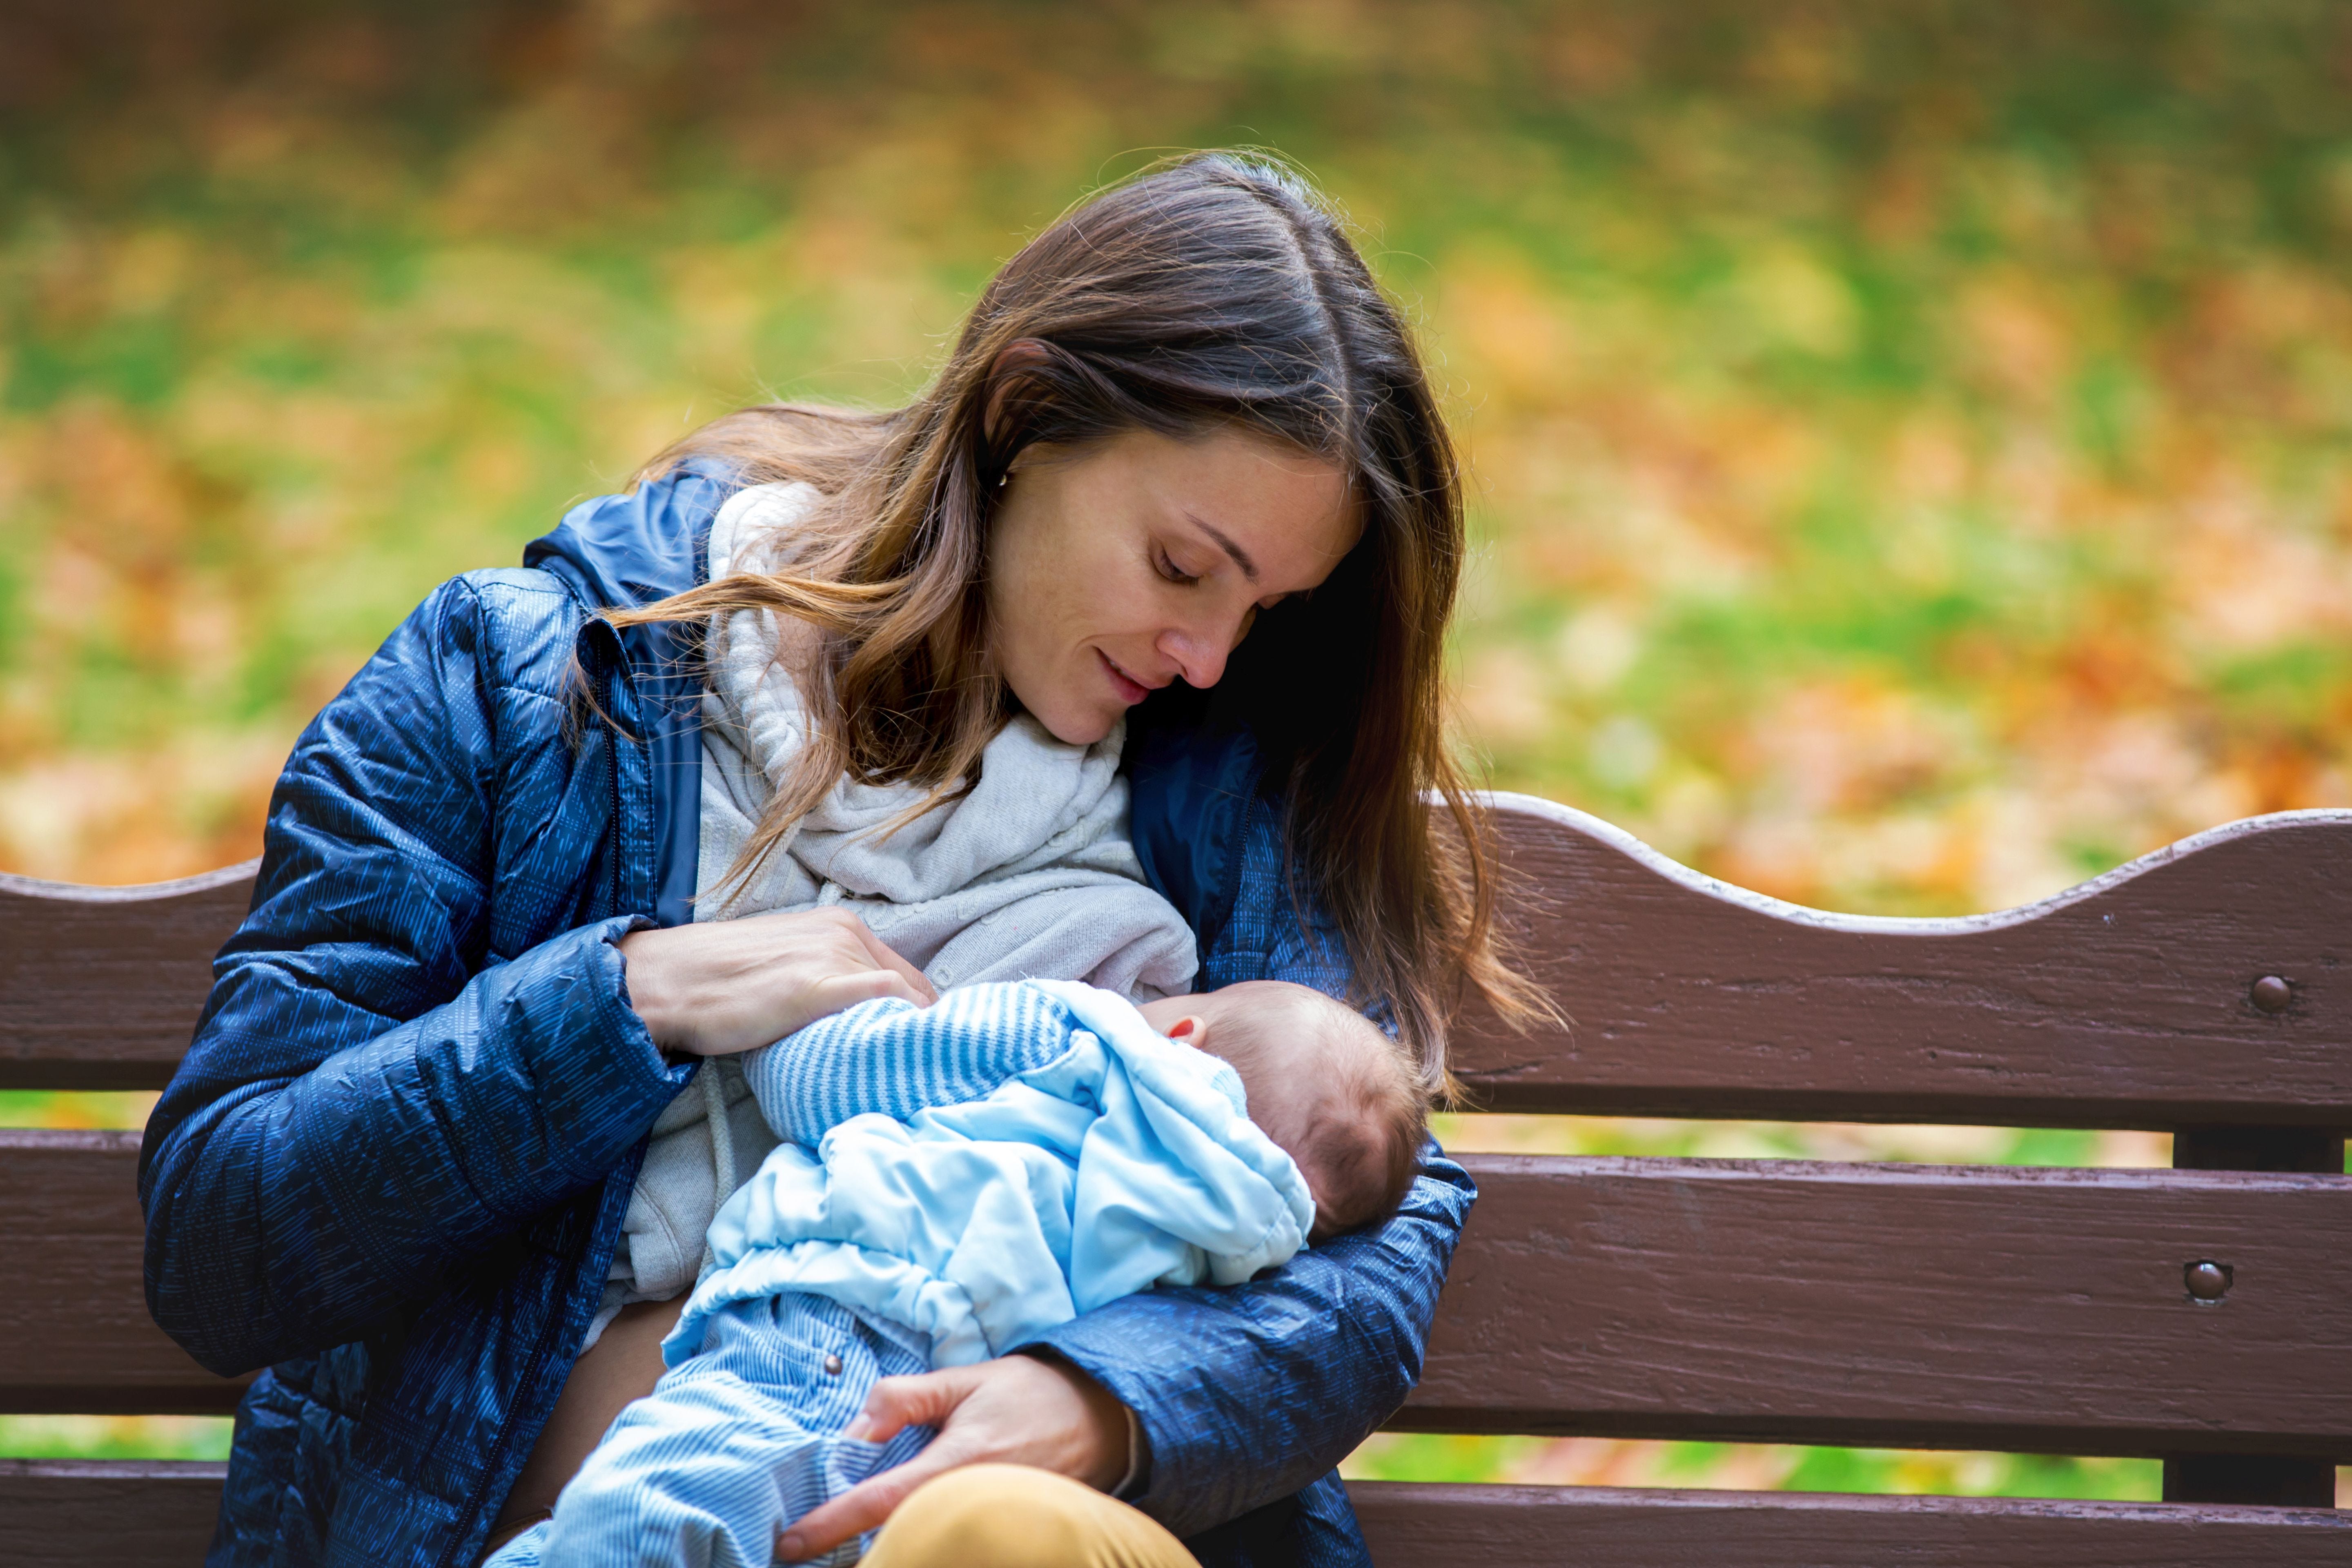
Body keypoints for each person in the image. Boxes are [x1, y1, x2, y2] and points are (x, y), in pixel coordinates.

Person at [139, 152, 1539, 1568]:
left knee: (994, 1535)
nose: (1209, 655)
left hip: (1004, 1538)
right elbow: (222, 1237)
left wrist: (1099, 1404)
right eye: (1183, 566)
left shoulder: (1230, 780)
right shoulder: (515, 688)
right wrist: (626, 1003)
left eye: (1268, 608)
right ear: (1024, 411)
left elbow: (1370, 1229)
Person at [487, 976, 1425, 1568]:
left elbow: (822, 1080)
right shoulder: (1245, 1252)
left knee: (643, 1518)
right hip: (945, 1444)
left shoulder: (1078, 1039)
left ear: (1183, 1035)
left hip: (826, 1347)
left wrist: (764, 1013)